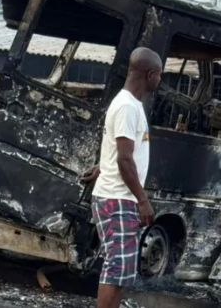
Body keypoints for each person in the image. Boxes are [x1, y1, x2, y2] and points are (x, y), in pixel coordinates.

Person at [81, 47, 162, 308]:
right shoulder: (127, 107)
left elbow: (118, 151)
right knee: (116, 268)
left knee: (120, 270)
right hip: (118, 199)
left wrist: (101, 167)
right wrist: (142, 200)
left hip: (117, 195)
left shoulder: (129, 105)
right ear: (150, 74)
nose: (159, 81)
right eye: (159, 75)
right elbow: (124, 159)